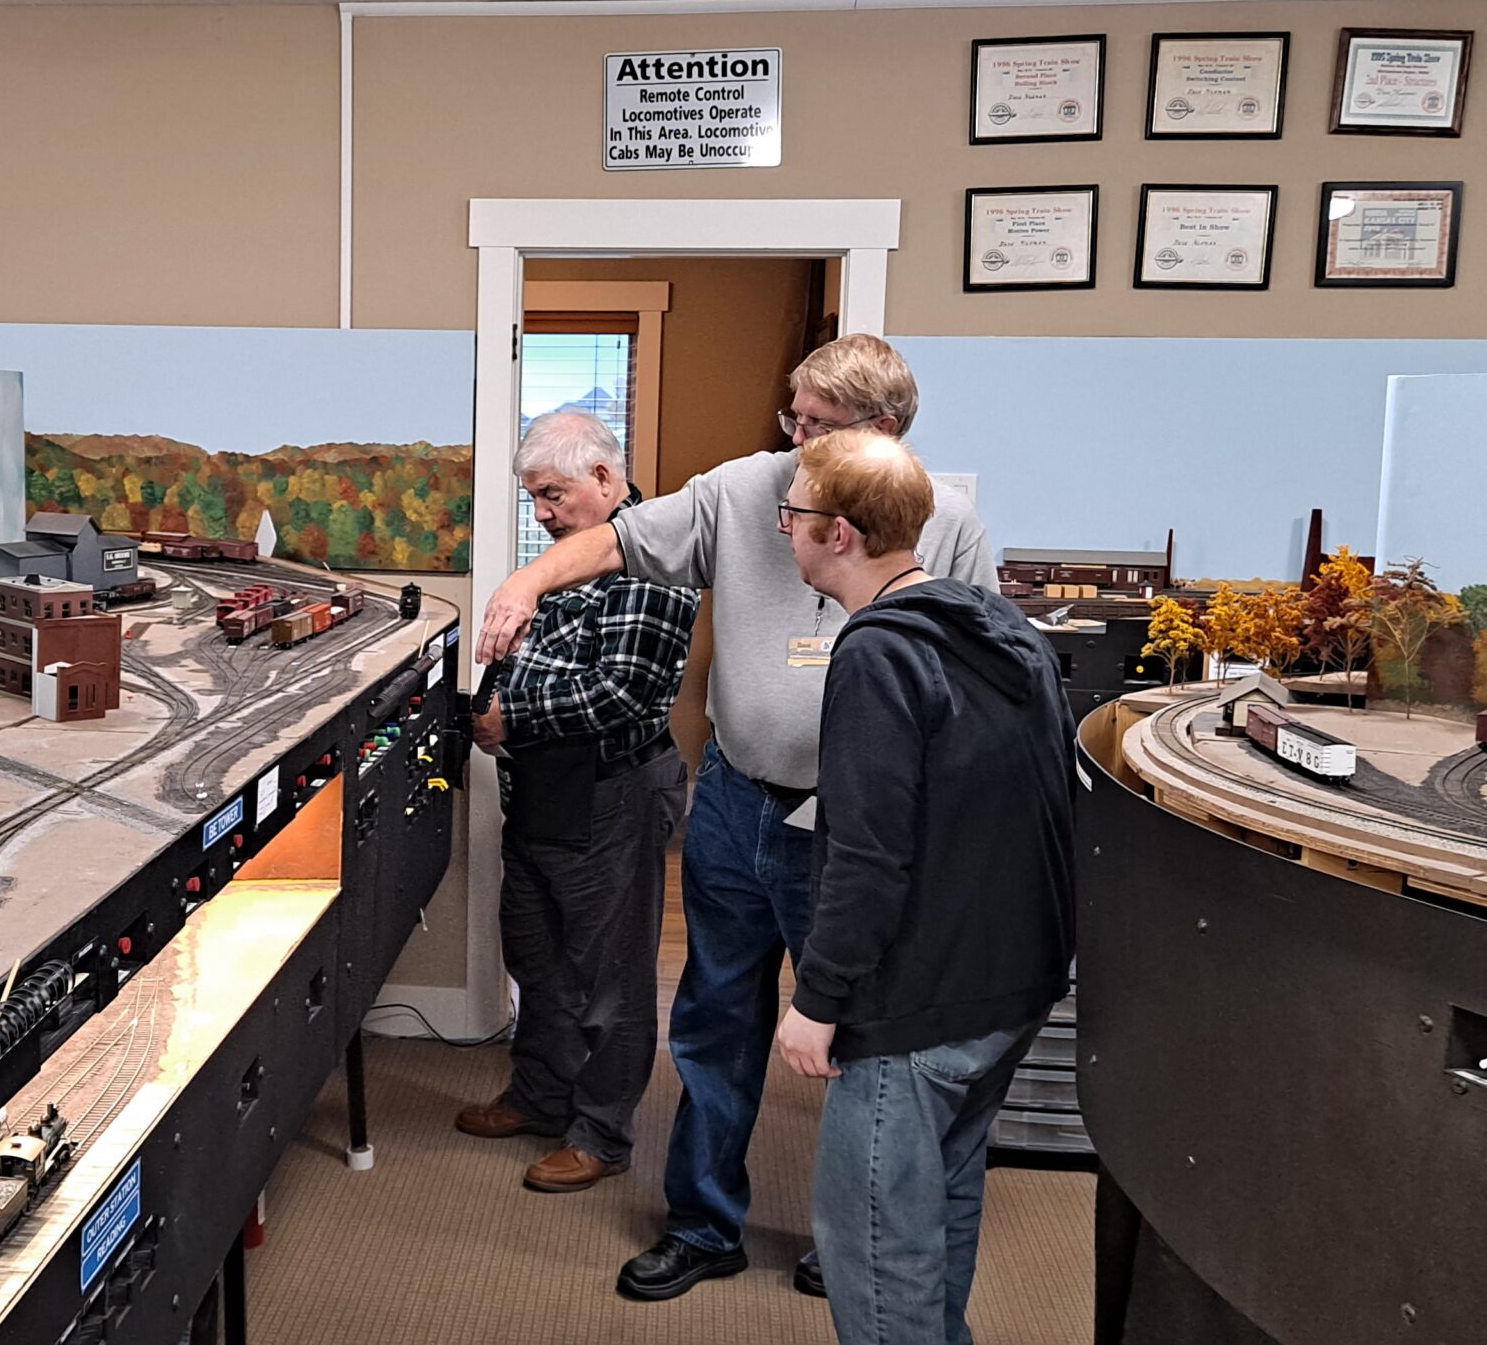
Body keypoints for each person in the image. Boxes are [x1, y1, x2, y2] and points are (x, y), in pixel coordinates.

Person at [475, 335, 997, 1301]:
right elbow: (622, 536)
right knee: (715, 1025)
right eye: (790, 419)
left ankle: (842, 1241)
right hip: (733, 799)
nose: (794, 442)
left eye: (817, 427)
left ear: (881, 434)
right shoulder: (742, 488)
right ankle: (704, 1225)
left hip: (852, 830)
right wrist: (524, 582)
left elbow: (965, 679)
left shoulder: (948, 524)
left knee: (854, 1042)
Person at [772, 429, 1075, 1345]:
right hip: (1010, 987)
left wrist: (816, 1000)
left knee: (874, 1247)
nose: (783, 529)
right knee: (944, 1201)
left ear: (841, 534)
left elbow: (868, 852)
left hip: (917, 1005)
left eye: (794, 514)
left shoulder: (876, 656)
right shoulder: (999, 628)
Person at [457, 410, 699, 1192]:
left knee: (610, 978)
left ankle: (602, 1135)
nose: (542, 514)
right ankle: (540, 1095)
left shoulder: (653, 558)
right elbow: (542, 658)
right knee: (536, 954)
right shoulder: (567, 560)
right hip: (546, 787)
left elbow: (620, 694)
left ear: (604, 477)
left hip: (612, 790)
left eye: (553, 494)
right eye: (533, 498)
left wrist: (509, 716)